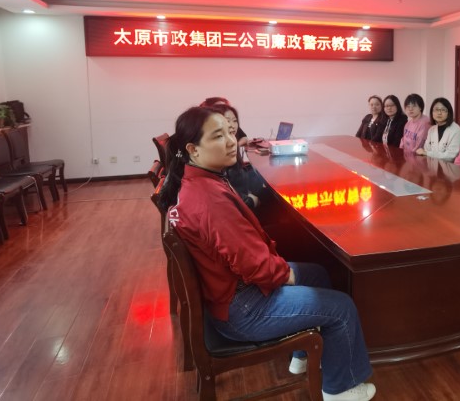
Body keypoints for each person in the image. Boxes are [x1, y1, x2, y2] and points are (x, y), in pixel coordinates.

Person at [158, 106, 376, 401]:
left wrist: (285, 270)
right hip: (244, 308)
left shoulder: (199, 181)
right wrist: (286, 274)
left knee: (318, 273)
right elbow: (256, 268)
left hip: (233, 294)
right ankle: (340, 391)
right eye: (218, 136)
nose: (231, 141)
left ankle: (301, 356)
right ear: (193, 149)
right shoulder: (209, 200)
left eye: (230, 132)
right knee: (342, 308)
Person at [217, 103, 267, 211]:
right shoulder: (220, 152)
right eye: (227, 120)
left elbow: (244, 138)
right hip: (240, 208)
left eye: (235, 121)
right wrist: (251, 200)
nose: (232, 125)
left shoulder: (232, 141)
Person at [416, 97, 460, 162]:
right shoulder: (431, 130)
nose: (439, 113)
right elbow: (426, 149)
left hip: (450, 167)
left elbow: (450, 156)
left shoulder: (456, 130)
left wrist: (427, 153)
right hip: (432, 166)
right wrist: (426, 153)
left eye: (443, 110)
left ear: (449, 112)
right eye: (436, 110)